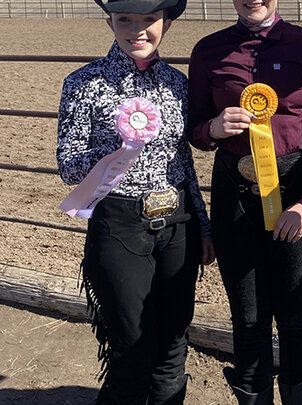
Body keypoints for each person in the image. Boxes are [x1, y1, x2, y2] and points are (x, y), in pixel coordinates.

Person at [56, 0, 214, 404]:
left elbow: (184, 161)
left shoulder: (178, 85)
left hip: (177, 222)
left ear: (167, 23)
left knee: (173, 348)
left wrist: (203, 224)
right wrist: (119, 148)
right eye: (125, 19)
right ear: (110, 20)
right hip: (120, 223)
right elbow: (69, 167)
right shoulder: (84, 83)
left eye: (149, 19)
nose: (137, 30)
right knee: (131, 349)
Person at [187, 0, 302, 403]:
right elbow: (196, 131)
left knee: (296, 315)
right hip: (234, 194)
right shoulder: (208, 49)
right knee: (248, 317)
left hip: (296, 191)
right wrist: (215, 128)